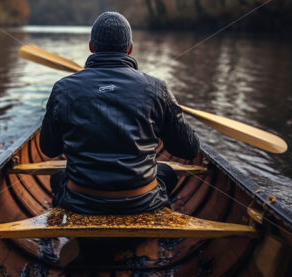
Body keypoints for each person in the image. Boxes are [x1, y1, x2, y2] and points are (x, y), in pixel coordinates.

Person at [39, 12, 199, 215]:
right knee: (166, 171)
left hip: (81, 201)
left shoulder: (63, 88)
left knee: (57, 177)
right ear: (130, 48)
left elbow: (49, 149)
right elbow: (189, 150)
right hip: (142, 201)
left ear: (91, 47)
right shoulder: (158, 88)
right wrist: (172, 111)